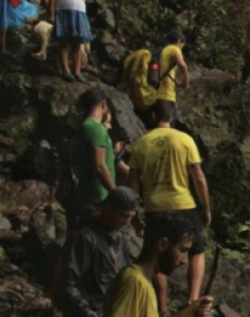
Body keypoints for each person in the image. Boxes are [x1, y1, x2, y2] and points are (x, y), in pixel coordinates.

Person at [129, 101, 210, 316]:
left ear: (153, 116)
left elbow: (134, 184)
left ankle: (162, 307)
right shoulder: (184, 139)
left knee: (158, 252)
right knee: (198, 249)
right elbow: (198, 177)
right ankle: (192, 300)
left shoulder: (141, 143)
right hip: (183, 203)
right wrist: (206, 207)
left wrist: (135, 212)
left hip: (154, 206)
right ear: (172, 117)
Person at [103, 211, 213, 317]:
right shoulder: (135, 283)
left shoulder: (145, 283)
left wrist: (189, 312)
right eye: (182, 250)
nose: (184, 260)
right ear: (162, 244)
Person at [57, 186, 139, 317]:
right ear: (108, 209)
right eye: (123, 216)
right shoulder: (85, 239)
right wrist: (86, 311)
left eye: (131, 217)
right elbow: (68, 283)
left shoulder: (120, 237)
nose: (127, 222)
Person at [69, 89, 117, 228]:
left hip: (94, 194)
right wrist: (114, 191)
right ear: (103, 104)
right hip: (97, 195)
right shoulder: (94, 128)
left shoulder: (90, 127)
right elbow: (99, 166)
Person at [49, 0, 95, 82]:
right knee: (64, 42)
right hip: (62, 11)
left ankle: (77, 71)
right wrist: (51, 14)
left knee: (77, 43)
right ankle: (66, 70)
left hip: (79, 11)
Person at [156, 31, 190, 105]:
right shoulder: (175, 49)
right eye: (182, 45)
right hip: (166, 93)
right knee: (165, 116)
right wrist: (186, 81)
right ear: (179, 41)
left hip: (157, 90)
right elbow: (182, 65)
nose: (182, 48)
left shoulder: (164, 49)